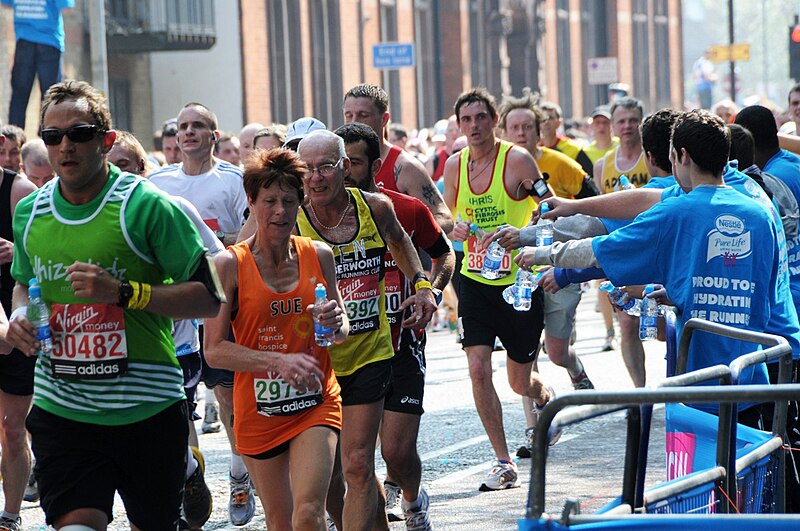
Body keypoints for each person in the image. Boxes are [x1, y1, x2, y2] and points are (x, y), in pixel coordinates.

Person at [4, 79, 222, 530]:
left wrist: (123, 294)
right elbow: (24, 284)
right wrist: (23, 314)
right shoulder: (30, 212)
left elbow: (209, 298)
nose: (65, 146)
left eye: (79, 133)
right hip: (64, 407)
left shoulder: (150, 207)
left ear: (105, 141)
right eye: (52, 136)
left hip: (146, 408)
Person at [520, 110, 796, 423]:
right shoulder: (758, 207)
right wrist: (677, 293)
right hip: (754, 372)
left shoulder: (675, 212)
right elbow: (760, 286)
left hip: (702, 378)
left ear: (681, 156)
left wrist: (544, 253)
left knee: (708, 466)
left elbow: (603, 249)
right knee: (762, 463)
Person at [295, 130, 437, 530]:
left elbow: (400, 242)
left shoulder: (375, 207)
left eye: (326, 166)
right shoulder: (290, 217)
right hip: (316, 359)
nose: (317, 176)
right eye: (308, 168)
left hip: (369, 352)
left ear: (344, 169)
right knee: (330, 480)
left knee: (357, 464)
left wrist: (423, 287)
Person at [205, 147, 346, 530]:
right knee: (281, 521)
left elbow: (340, 326)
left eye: (289, 200)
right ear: (251, 203)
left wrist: (336, 322)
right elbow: (214, 350)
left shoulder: (319, 255)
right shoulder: (228, 265)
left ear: (301, 203)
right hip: (258, 409)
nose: (280, 211)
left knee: (309, 513)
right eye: (269, 201)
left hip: (316, 400)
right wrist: (277, 362)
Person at [336, 122, 454, 529]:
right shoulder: (316, 221)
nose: (345, 170)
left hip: (402, 346)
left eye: (354, 162)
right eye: (341, 162)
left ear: (376, 164)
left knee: (397, 455)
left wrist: (430, 292)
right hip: (352, 352)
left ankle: (412, 496)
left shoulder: (402, 209)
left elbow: (444, 254)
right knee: (356, 462)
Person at [442, 87, 557, 491]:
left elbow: (550, 205)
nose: (474, 127)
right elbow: (445, 217)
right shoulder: (454, 166)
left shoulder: (517, 160)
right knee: (477, 368)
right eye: (466, 120)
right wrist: (451, 228)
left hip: (518, 283)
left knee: (518, 382)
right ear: (459, 125)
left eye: (481, 118)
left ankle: (546, 400)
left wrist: (522, 233)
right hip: (473, 281)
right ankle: (502, 461)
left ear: (494, 120)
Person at [149, 102, 255, 526]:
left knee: (228, 399)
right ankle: (186, 485)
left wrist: (227, 246)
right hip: (175, 315)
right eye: (182, 127)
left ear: (214, 134)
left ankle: (239, 471)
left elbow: (250, 235)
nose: (188, 133)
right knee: (181, 407)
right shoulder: (157, 182)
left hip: (222, 305)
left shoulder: (232, 180)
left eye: (198, 126)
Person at [495, 91, 596, 457]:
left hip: (558, 263)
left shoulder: (557, 165)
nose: (520, 133)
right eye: (514, 127)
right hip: (518, 272)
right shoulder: (491, 166)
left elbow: (585, 211)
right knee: (525, 356)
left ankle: (575, 368)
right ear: (503, 130)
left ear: (540, 132)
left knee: (554, 351)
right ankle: (534, 430)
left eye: (527, 127)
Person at [343, 83, 453, 234]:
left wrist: (403, 235)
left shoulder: (405, 166)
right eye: (349, 115)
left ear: (384, 119)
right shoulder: (337, 164)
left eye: (363, 115)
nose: (354, 122)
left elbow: (444, 218)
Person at [0, 120, 37, 530]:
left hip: (15, 320)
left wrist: (15, 251)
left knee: (13, 428)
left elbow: (41, 263)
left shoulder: (19, 193)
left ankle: (9, 517)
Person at [3, 0, 74, 129]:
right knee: (51, 96)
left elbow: (5, 4)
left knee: (19, 95)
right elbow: (67, 9)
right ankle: (48, 136)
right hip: (49, 42)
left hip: (24, 41)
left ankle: (14, 138)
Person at [538, 101, 594, 176]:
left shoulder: (574, 149)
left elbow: (589, 176)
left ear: (559, 123)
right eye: (543, 118)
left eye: (550, 118)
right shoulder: (532, 150)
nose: (546, 122)